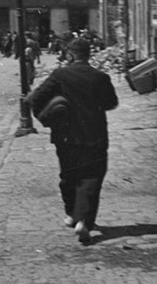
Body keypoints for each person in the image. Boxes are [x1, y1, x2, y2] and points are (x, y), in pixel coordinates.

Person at [26, 38, 118, 244]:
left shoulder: (61, 75)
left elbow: (35, 97)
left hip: (65, 136)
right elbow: (112, 103)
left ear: (70, 55)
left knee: (69, 176)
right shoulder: (101, 77)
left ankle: (71, 214)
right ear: (88, 55)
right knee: (92, 178)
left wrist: (46, 116)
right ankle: (83, 221)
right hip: (95, 136)